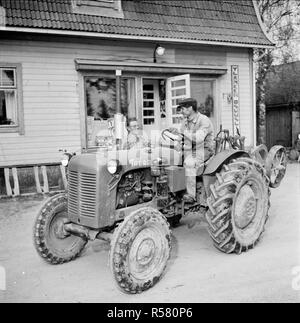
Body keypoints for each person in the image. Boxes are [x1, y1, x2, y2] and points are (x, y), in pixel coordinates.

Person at [170, 98, 215, 203]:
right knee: (171, 160)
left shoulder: (204, 120)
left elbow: (198, 138)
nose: (180, 111)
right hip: (190, 149)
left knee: (189, 163)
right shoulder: (185, 121)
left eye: (182, 109)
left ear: (190, 108)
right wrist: (176, 142)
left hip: (204, 149)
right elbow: (181, 136)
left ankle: (191, 195)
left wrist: (182, 133)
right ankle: (175, 191)